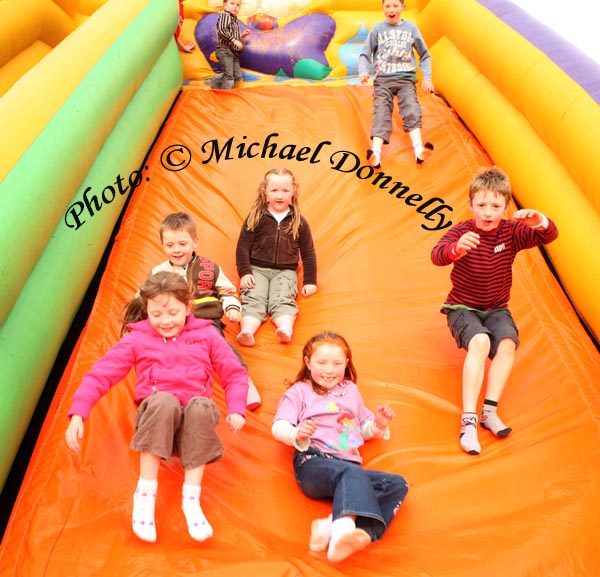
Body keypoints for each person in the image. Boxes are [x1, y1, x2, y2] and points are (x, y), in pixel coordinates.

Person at [65, 271, 249, 543]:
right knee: (164, 400)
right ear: (147, 310)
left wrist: (236, 406)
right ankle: (145, 493)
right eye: (157, 315)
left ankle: (191, 498)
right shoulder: (137, 339)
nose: (165, 321)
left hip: (193, 427)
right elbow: (101, 374)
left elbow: (233, 372)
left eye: (173, 313)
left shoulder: (206, 335)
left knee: (200, 406)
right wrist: (79, 412)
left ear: (188, 307)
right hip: (157, 421)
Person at [431, 166, 559, 456]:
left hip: (496, 307)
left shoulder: (511, 232)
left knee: (507, 343)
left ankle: (489, 411)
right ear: (470, 204)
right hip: (462, 306)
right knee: (480, 341)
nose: (488, 213)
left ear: (506, 206)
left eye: (496, 206)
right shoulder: (462, 231)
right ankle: (469, 423)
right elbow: (436, 256)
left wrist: (540, 221)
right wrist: (456, 250)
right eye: (482, 205)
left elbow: (548, 237)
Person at [272, 332, 409, 563]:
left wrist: (377, 424)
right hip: (314, 463)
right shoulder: (299, 392)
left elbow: (361, 430)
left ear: (347, 363)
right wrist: (296, 433)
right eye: (321, 362)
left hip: (348, 468)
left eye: (337, 363)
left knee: (397, 484)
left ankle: (345, 530)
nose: (330, 370)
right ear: (307, 362)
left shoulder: (351, 391)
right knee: (352, 472)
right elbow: (279, 426)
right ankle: (341, 533)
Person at [149, 212, 261, 411]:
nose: (176, 250)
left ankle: (242, 382)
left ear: (195, 242)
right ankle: (164, 388)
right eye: (170, 245)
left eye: (182, 244)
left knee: (220, 348)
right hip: (174, 325)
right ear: (162, 244)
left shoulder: (208, 268)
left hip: (205, 321)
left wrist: (231, 307)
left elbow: (226, 292)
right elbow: (145, 298)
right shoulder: (158, 273)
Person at [235, 167, 317, 347]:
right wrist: (245, 272)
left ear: (293, 191)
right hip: (257, 269)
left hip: (285, 271)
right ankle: (248, 330)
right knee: (254, 297)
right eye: (274, 190)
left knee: (282, 298)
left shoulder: (299, 222)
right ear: (265, 192)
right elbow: (242, 247)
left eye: (285, 190)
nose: (280, 195)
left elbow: (308, 252)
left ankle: (285, 328)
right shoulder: (256, 218)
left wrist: (310, 281)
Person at [358, 0, 435, 168]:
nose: (391, 10)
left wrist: (427, 78)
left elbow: (425, 55)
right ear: (383, 8)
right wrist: (363, 70)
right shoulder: (377, 29)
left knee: (411, 109)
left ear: (402, 7)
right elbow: (365, 54)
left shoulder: (411, 28)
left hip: (406, 79)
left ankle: (418, 150)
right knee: (381, 112)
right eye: (388, 6)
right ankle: (376, 154)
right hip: (383, 80)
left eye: (395, 6)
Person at [212, 0, 250, 89]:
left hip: (233, 52)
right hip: (225, 50)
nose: (235, 6)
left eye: (238, 5)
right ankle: (225, 97)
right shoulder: (225, 16)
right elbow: (222, 30)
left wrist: (241, 36)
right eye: (232, 3)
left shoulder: (234, 20)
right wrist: (234, 40)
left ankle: (214, 83)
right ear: (225, 5)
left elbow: (232, 35)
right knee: (229, 77)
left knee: (237, 77)